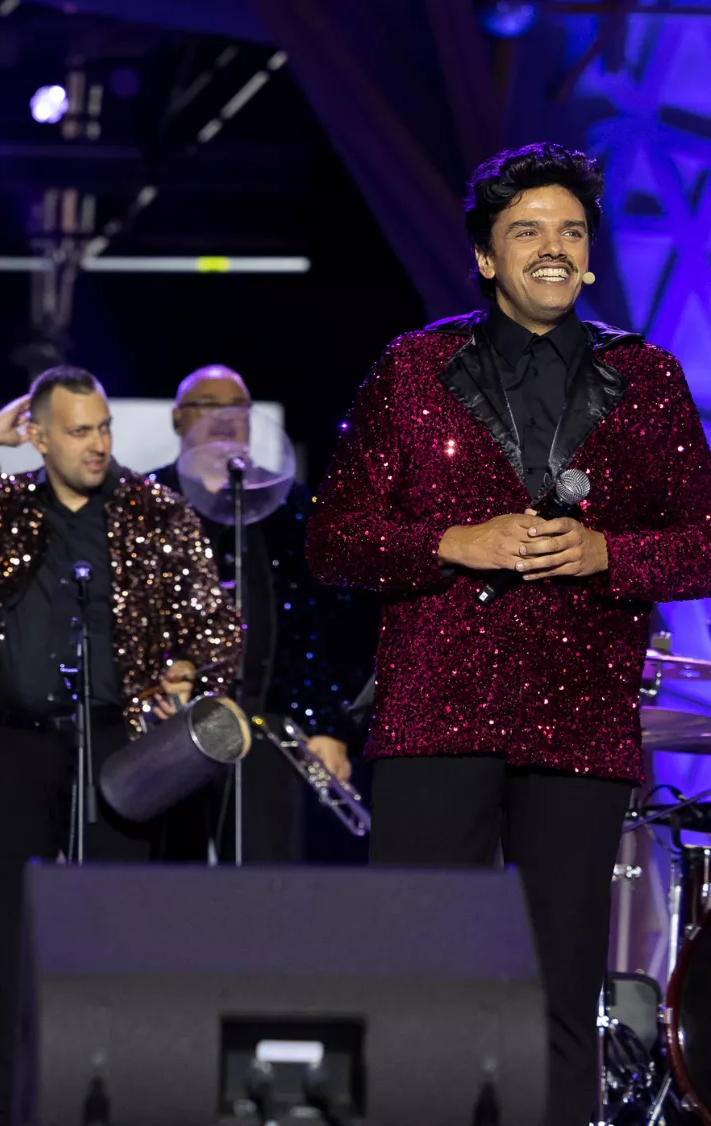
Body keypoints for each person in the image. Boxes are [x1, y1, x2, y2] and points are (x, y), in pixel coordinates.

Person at [309, 142, 711, 1126]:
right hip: (433, 713)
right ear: (485, 258)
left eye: (569, 231)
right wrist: (455, 539)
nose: (551, 248)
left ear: (587, 257)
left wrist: (603, 555)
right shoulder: (411, 371)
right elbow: (332, 537)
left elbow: (700, 543)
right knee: (415, 977)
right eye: (525, 230)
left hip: (574, 724)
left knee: (556, 990)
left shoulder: (646, 379)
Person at [0, 365, 238, 1126]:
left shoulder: (153, 510)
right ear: (37, 436)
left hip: (120, 747)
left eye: (102, 427)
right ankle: (8, 1108)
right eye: (77, 431)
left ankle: (112, 1102)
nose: (97, 444)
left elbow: (215, 623)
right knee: (11, 936)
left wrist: (191, 669)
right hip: (9, 744)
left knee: (115, 931)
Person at [146, 365, 370, 861]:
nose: (224, 419)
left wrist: (332, 726)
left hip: (272, 736)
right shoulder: (146, 505)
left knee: (263, 890)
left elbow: (337, 627)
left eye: (237, 408)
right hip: (166, 736)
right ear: (178, 418)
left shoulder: (294, 507)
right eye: (208, 405)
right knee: (166, 889)